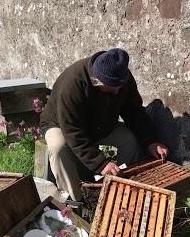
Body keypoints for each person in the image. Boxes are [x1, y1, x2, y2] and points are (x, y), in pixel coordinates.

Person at [40, 48, 169, 202]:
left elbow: (134, 112)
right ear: (97, 80)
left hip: (100, 125)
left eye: (119, 87)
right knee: (58, 147)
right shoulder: (73, 83)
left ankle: (125, 189)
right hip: (61, 124)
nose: (117, 92)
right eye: (111, 88)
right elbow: (71, 130)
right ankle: (75, 202)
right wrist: (100, 164)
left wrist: (151, 141)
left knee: (129, 139)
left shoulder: (122, 78)